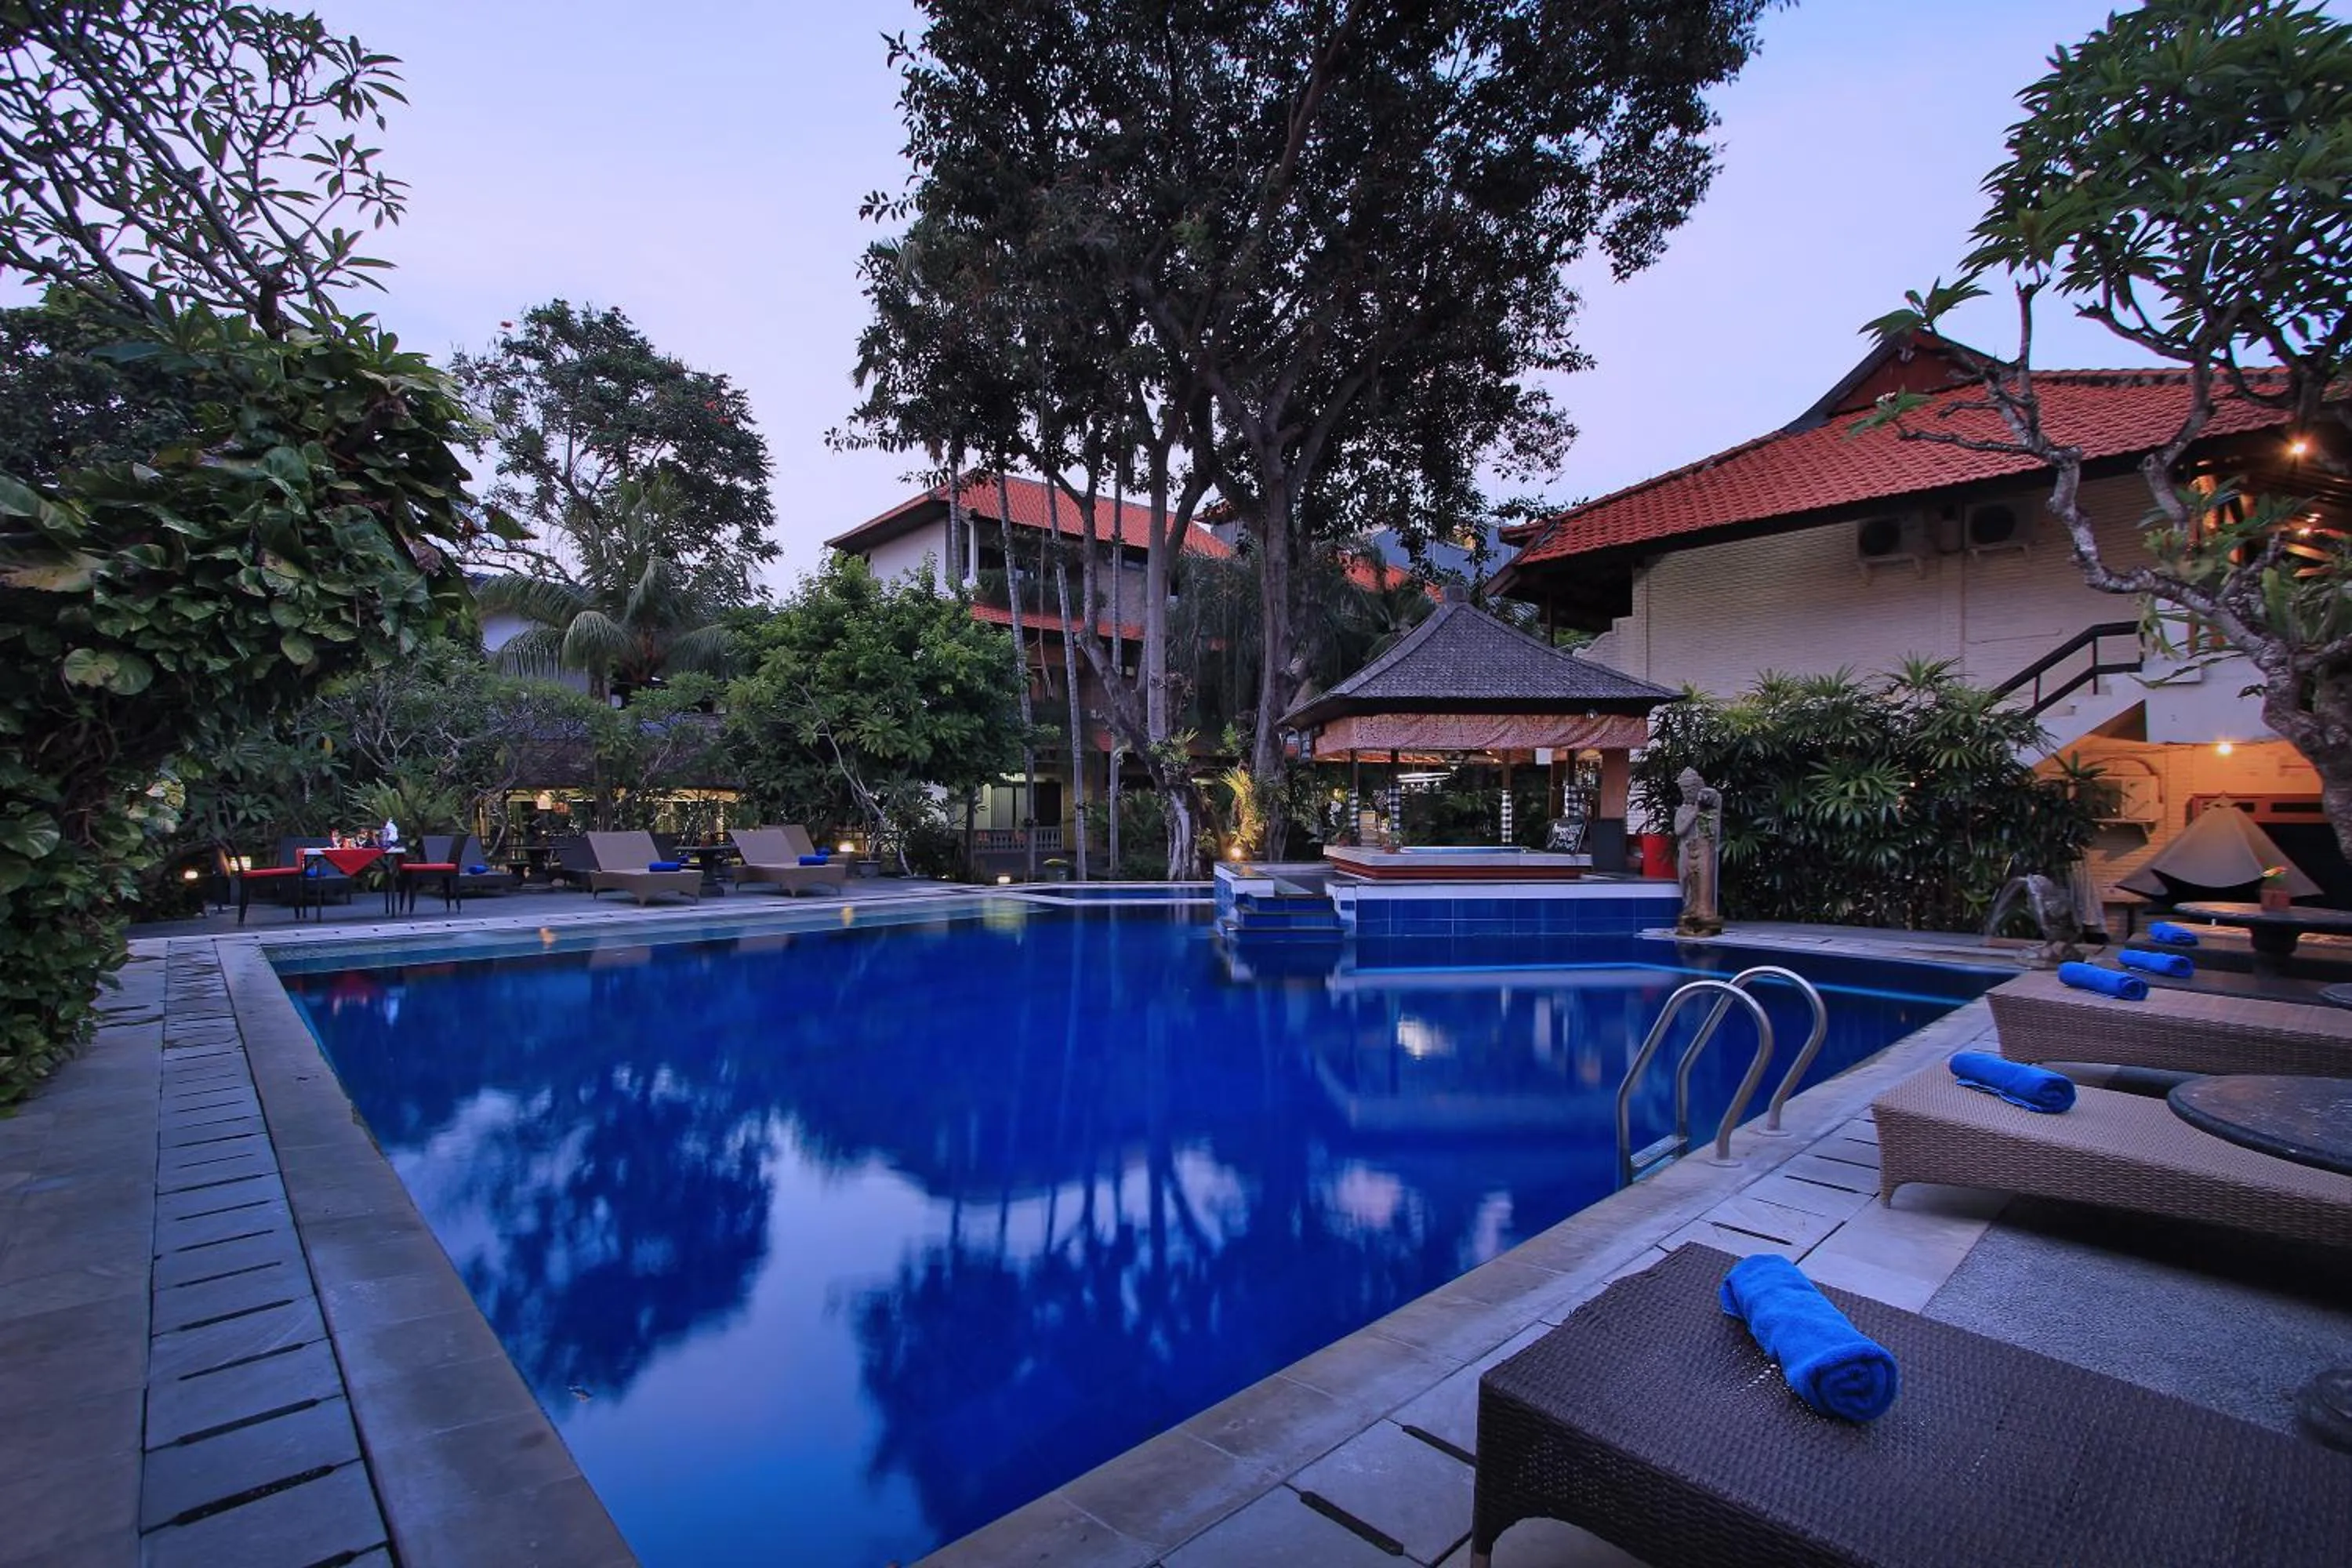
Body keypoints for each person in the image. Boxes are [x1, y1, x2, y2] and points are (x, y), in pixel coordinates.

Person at [1673, 768, 1723, 937]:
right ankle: (1689, 908)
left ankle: (1702, 912)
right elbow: (1679, 831)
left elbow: (1712, 833)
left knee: (1702, 880)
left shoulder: (1706, 813)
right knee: (1685, 878)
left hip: (1701, 851)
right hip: (1685, 850)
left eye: (1691, 790)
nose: (1688, 793)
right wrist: (1694, 814)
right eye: (1685, 790)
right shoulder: (1683, 811)